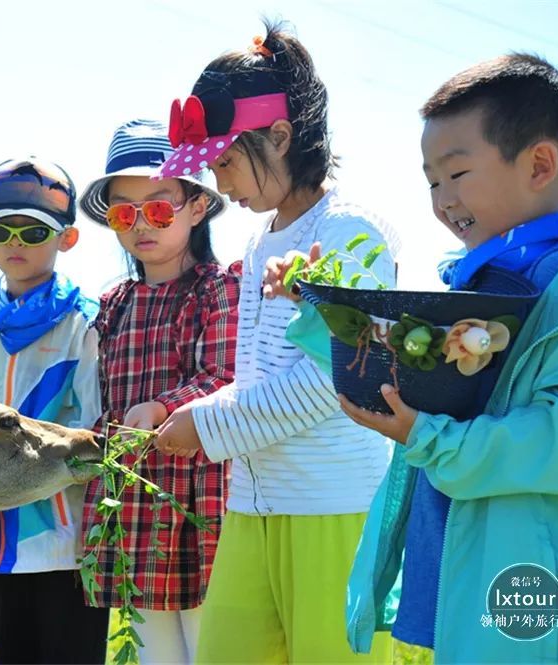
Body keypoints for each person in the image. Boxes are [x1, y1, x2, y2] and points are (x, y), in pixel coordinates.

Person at [315, 53, 558, 663]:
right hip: (468, 555)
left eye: (457, 173)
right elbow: (398, 369)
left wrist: (431, 439)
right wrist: (320, 308)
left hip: (532, 575)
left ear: (540, 163)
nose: (442, 199)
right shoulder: (487, 278)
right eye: (432, 181)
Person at [153, 22, 398, 663]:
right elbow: (258, 378)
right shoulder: (260, 241)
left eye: (225, 161)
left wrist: (206, 427)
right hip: (254, 504)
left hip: (334, 504)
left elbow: (332, 378)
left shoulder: (351, 231)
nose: (219, 182)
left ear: (281, 136)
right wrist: (188, 416)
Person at [78, 118, 239, 664]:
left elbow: (224, 378)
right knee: (151, 652)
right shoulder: (113, 305)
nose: (142, 224)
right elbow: (102, 401)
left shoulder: (219, 289)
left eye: (160, 208)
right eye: (125, 212)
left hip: (201, 500)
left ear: (198, 207)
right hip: (136, 507)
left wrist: (162, 407)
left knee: (210, 646)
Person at [0, 157, 109, 664]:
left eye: (34, 230)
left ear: (67, 239)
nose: (16, 242)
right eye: (2, 229)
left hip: (66, 548)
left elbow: (94, 435)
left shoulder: (85, 323)